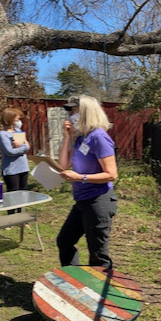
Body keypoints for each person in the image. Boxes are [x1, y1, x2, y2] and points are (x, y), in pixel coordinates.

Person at [56, 95, 118, 269]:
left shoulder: (99, 137)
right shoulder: (81, 138)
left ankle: (101, 293)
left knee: (97, 253)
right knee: (65, 240)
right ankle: (73, 280)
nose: (71, 115)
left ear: (86, 113)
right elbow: (63, 165)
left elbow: (111, 174)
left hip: (98, 200)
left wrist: (80, 177)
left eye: (74, 111)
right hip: (82, 200)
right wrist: (67, 137)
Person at [0, 108, 30, 214]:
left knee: (22, 192)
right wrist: (23, 148)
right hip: (11, 169)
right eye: (16, 120)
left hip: (23, 167)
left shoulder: (19, 132)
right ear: (9, 120)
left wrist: (21, 146)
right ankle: (11, 216)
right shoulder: (3, 135)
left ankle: (21, 216)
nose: (18, 122)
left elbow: (28, 146)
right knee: (12, 193)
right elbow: (10, 152)